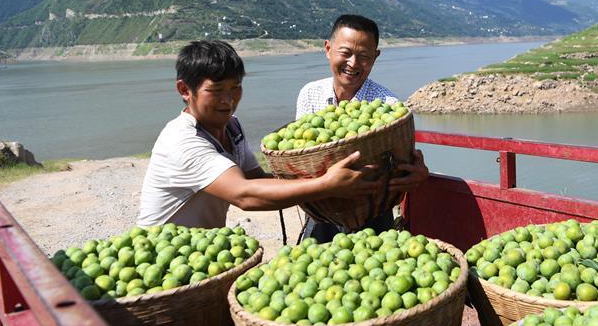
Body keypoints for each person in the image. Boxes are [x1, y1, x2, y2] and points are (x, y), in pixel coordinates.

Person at [138, 40, 379, 229]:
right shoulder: (183, 141)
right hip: (163, 253)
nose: (228, 99)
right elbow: (245, 195)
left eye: (235, 88)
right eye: (216, 90)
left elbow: (257, 179)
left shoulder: (231, 127)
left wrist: (320, 178)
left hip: (200, 252)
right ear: (184, 90)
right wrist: (326, 185)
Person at [296, 14, 430, 242]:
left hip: (373, 216)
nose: (353, 63)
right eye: (345, 53)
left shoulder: (389, 106)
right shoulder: (310, 94)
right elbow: (301, 159)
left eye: (364, 56)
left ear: (375, 57)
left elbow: (401, 165)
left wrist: (417, 174)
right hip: (323, 211)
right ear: (328, 49)